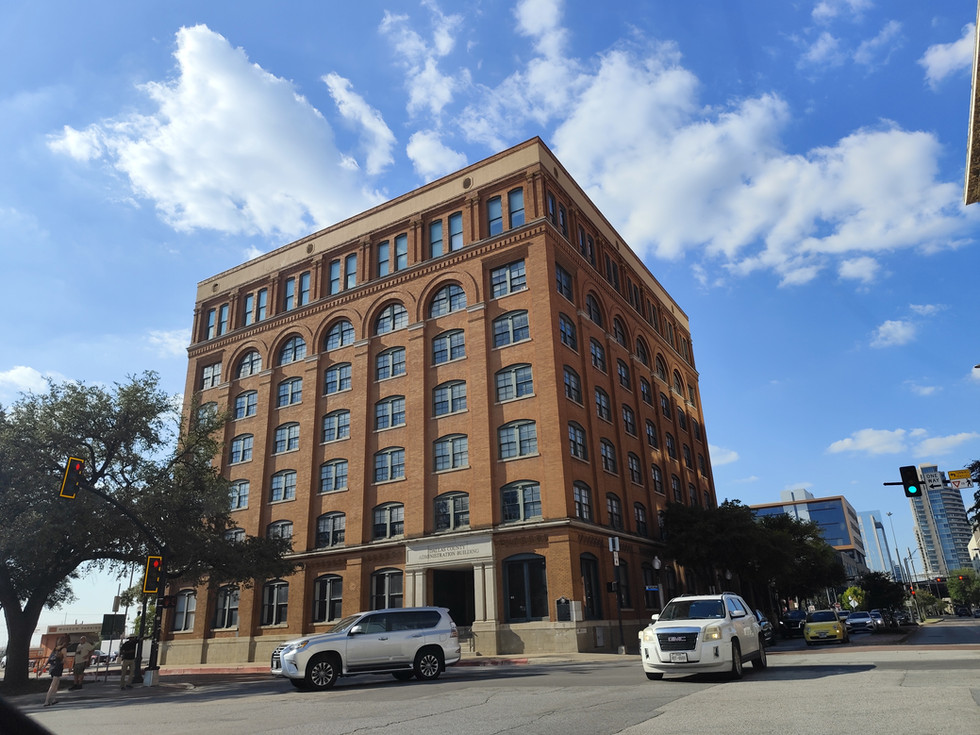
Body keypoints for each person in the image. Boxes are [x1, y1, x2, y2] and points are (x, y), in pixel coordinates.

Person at [44, 635, 69, 707]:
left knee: (56, 684)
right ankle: (46, 701)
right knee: (53, 685)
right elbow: (65, 659)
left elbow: (49, 659)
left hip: (52, 667)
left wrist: (43, 668)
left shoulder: (55, 649)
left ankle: (54, 699)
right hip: (58, 668)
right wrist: (69, 667)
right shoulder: (63, 649)